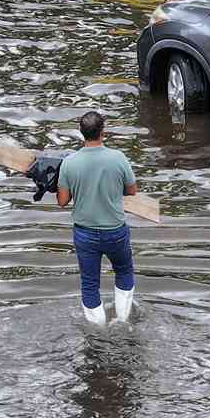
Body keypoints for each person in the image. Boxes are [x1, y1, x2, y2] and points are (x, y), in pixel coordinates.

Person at [56, 110, 138, 326]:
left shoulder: (69, 163)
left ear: (81, 133)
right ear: (103, 131)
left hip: (85, 234)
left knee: (90, 283)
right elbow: (131, 191)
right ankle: (122, 320)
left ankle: (98, 330)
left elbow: (62, 201)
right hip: (115, 230)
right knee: (124, 272)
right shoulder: (118, 158)